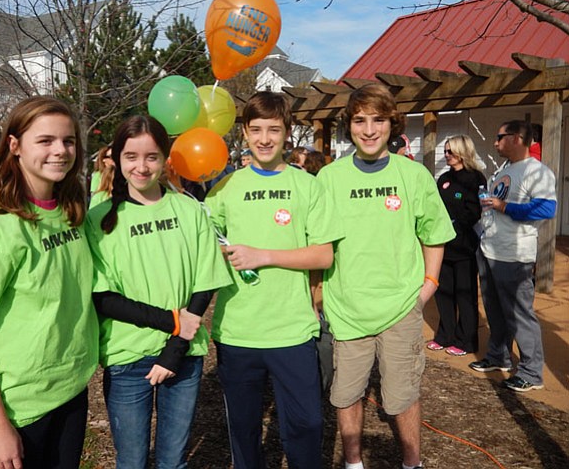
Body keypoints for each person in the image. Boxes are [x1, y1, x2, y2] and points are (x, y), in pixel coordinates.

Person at [0, 96, 101, 469]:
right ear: (14, 146)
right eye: (45, 141)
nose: (60, 151)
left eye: (67, 141)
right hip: (17, 405)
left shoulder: (73, 212)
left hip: (70, 389)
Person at [317, 83, 455, 469]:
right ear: (350, 126)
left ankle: (413, 463)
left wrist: (428, 287)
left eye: (378, 119)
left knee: (401, 396)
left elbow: (434, 235)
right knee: (346, 394)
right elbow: (319, 244)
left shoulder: (414, 176)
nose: (369, 129)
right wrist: (319, 294)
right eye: (360, 120)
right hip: (347, 309)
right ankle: (354, 463)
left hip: (400, 308)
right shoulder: (329, 178)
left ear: (392, 124)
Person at [205, 91, 342, 468]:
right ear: (244, 135)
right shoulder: (224, 189)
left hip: (293, 329)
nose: (264, 138)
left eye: (274, 130)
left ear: (287, 133)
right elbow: (204, 242)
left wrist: (263, 256)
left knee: (307, 423)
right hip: (237, 331)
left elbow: (323, 254)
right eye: (256, 130)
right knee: (244, 429)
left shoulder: (307, 186)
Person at [85, 115, 231, 469]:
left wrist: (175, 348)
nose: (141, 166)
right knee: (132, 461)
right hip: (127, 357)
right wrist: (173, 324)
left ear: (166, 159)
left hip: (184, 356)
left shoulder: (188, 210)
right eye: (131, 156)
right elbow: (103, 297)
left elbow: (205, 279)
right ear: (116, 159)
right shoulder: (99, 217)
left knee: (172, 461)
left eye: (151, 156)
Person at [469, 120, 557, 393]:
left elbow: (546, 209)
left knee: (520, 314)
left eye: (500, 137)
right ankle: (499, 357)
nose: (495, 143)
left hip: (515, 254)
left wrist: (503, 206)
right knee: (495, 310)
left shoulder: (537, 172)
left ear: (517, 138)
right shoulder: (504, 170)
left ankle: (531, 372)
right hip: (489, 249)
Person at [427, 136, 486, 357]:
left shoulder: (475, 178)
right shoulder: (443, 178)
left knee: (465, 294)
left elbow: (475, 211)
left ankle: (466, 341)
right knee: (443, 293)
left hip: (464, 246)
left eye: (451, 151)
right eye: (445, 151)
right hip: (443, 246)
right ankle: (445, 335)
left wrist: (455, 223)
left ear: (463, 151)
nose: (447, 155)